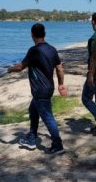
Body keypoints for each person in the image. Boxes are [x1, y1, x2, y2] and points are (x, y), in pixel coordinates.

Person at [7, 23, 67, 155]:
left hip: (40, 90)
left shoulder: (34, 51)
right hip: (48, 89)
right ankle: (32, 138)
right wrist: (61, 84)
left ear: (32, 35)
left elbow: (20, 67)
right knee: (32, 110)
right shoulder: (52, 49)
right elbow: (59, 68)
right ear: (44, 34)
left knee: (48, 117)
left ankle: (58, 145)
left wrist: (9, 69)